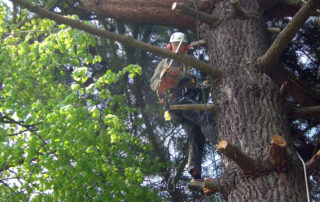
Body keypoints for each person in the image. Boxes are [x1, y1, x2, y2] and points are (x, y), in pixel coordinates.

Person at [150, 32, 218, 182]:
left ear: (186, 47)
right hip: (175, 101)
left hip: (186, 102)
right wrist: (161, 82)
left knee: (196, 132)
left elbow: (196, 82)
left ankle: (194, 171)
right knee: (204, 117)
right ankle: (222, 146)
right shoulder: (165, 62)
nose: (178, 48)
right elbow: (153, 84)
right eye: (175, 45)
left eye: (181, 46)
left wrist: (202, 85)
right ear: (169, 46)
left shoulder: (190, 62)